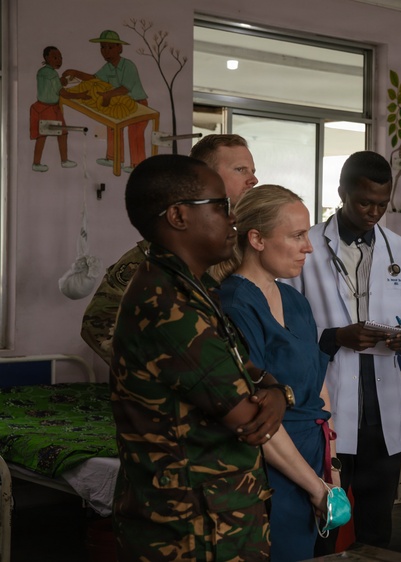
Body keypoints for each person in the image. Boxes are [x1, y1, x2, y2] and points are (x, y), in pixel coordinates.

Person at [110, 154, 298, 560]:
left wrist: (278, 392)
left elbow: (248, 370)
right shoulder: (167, 305)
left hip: (214, 517)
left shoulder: (192, 289)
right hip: (191, 530)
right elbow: (248, 417)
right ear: (178, 216)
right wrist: (273, 394)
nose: (233, 218)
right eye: (220, 206)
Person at [288, 150, 401, 550]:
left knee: (377, 524)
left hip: (380, 409)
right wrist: (334, 338)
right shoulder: (306, 246)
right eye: (364, 202)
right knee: (325, 519)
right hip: (328, 400)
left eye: (382, 204)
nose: (373, 212)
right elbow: (287, 330)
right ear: (342, 192)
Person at [217, 185, 339, 562]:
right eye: (297, 236)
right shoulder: (235, 304)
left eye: (307, 234)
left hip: (314, 460)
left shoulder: (295, 301)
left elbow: (319, 390)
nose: (309, 247)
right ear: (256, 239)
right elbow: (254, 414)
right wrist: (314, 488)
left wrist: (331, 474)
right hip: (269, 468)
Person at [81, 134, 258, 366]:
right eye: (241, 170)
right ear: (205, 175)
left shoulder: (249, 240)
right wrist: (166, 369)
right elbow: (97, 323)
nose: (253, 179)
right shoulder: (164, 249)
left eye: (253, 170)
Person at [62, 30, 149, 172]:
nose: (105, 51)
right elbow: (94, 79)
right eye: (103, 47)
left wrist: (108, 94)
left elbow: (125, 88)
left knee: (135, 132)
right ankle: (114, 158)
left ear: (119, 48)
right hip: (118, 103)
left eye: (110, 47)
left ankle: (137, 165)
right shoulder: (107, 67)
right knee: (112, 125)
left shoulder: (128, 66)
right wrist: (75, 72)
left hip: (137, 104)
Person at [30, 46, 86, 172]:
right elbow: (62, 93)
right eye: (55, 57)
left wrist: (60, 81)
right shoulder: (51, 73)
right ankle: (39, 163)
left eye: (60, 57)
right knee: (44, 135)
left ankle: (58, 161)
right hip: (46, 108)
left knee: (60, 133)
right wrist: (80, 95)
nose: (59, 60)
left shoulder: (43, 71)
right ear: (46, 58)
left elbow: (51, 86)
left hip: (49, 107)